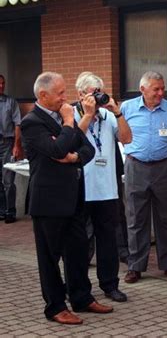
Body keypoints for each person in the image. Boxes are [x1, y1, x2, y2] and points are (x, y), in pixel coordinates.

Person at [20, 72, 113, 325]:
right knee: (50, 257)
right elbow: (57, 148)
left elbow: (87, 149)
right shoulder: (32, 122)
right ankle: (55, 306)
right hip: (48, 200)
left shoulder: (61, 117)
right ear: (43, 95)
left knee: (78, 250)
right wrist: (69, 122)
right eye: (60, 93)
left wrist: (73, 157)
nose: (65, 97)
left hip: (73, 197)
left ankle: (81, 297)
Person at [120, 71, 167, 284]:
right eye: (156, 89)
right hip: (135, 167)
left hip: (164, 169)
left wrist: (159, 154)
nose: (160, 93)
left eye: (162, 88)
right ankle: (135, 266)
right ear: (142, 89)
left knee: (165, 218)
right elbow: (120, 135)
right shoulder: (126, 109)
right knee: (136, 218)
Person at [74, 72, 132, 302]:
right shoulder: (71, 113)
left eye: (99, 91)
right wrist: (88, 115)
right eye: (91, 92)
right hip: (81, 187)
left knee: (108, 240)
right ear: (80, 95)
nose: (96, 97)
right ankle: (78, 286)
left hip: (107, 188)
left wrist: (117, 112)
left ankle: (110, 284)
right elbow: (72, 139)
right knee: (79, 241)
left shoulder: (108, 116)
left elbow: (127, 139)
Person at [0, 74, 23, 224]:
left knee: (8, 180)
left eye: (3, 83)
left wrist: (17, 145)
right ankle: (1, 211)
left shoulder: (11, 102)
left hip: (7, 143)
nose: (1, 86)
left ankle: (10, 211)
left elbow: (18, 124)